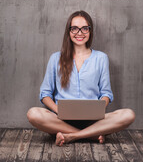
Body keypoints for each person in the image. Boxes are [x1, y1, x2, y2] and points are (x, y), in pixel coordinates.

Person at [27, 10, 135, 146]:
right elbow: (45, 94)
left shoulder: (101, 58)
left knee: (128, 114)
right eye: (74, 29)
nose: (80, 33)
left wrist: (99, 107)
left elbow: (106, 93)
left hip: (94, 120)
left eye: (84, 28)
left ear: (90, 31)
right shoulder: (56, 58)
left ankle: (71, 136)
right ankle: (91, 136)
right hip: (61, 120)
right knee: (33, 113)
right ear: (69, 31)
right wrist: (57, 110)